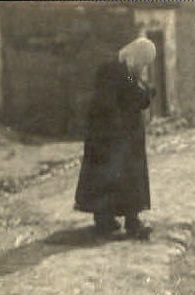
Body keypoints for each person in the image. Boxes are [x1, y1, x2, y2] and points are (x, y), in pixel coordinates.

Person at [74, 37, 156, 240]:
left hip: (124, 135)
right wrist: (143, 93)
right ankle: (108, 220)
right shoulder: (114, 69)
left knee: (127, 177)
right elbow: (112, 100)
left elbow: (138, 94)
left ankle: (128, 219)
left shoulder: (128, 71)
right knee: (109, 176)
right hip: (109, 136)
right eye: (143, 60)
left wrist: (144, 91)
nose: (143, 65)